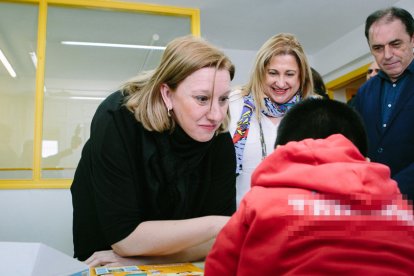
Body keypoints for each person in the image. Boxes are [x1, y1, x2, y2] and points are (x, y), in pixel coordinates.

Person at [70, 35, 237, 267]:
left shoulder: (218, 135)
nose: (216, 115)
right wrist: (217, 224)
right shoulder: (116, 118)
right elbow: (124, 238)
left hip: (162, 260)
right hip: (105, 251)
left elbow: (224, 242)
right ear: (167, 94)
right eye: (202, 99)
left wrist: (146, 259)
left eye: (223, 99)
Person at [205, 98, 414, 275]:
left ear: (279, 151)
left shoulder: (259, 202)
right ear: (364, 159)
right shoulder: (400, 207)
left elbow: (219, 268)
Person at [229, 33, 314, 206]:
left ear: (301, 76)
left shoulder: (315, 111)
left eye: (289, 74)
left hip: (298, 221)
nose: (281, 83)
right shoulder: (233, 104)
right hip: (241, 220)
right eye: (273, 73)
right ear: (261, 73)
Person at [352, 7, 414, 202]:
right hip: (375, 205)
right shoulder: (364, 92)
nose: (387, 55)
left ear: (412, 39)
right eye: (378, 48)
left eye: (395, 44)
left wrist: (392, 190)